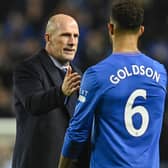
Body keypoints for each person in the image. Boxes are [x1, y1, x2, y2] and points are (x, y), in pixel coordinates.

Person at [58, 0, 168, 168]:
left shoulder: (97, 75)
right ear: (141, 31)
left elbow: (77, 133)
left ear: (110, 28)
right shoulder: (160, 73)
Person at [12, 14, 90, 168]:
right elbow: (33, 103)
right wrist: (61, 92)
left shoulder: (80, 76)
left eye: (76, 36)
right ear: (48, 38)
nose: (72, 42)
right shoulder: (28, 69)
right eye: (66, 35)